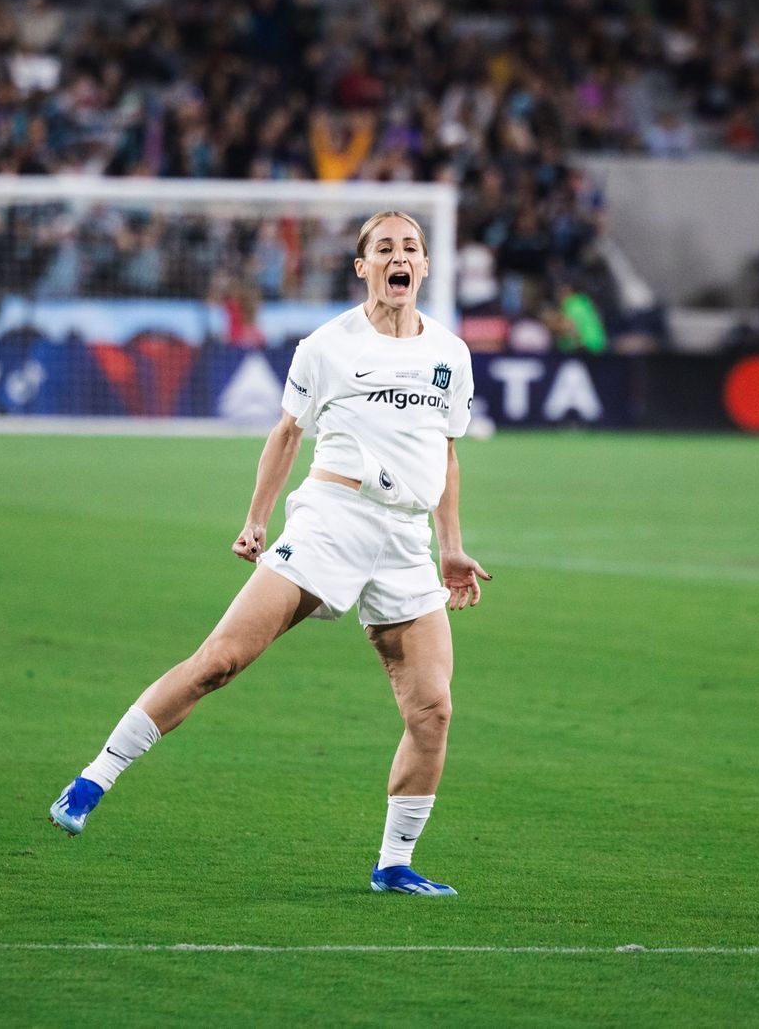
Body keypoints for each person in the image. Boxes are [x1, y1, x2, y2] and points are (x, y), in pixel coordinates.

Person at [49, 211, 491, 896]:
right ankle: (90, 781)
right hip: (332, 519)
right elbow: (287, 434)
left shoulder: (451, 354)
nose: (398, 257)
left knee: (433, 709)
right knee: (219, 661)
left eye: (410, 247)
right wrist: (256, 520)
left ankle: (394, 863)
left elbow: (446, 453)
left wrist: (452, 546)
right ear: (363, 266)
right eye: (384, 248)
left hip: (406, 540)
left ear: (425, 266)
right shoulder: (328, 346)